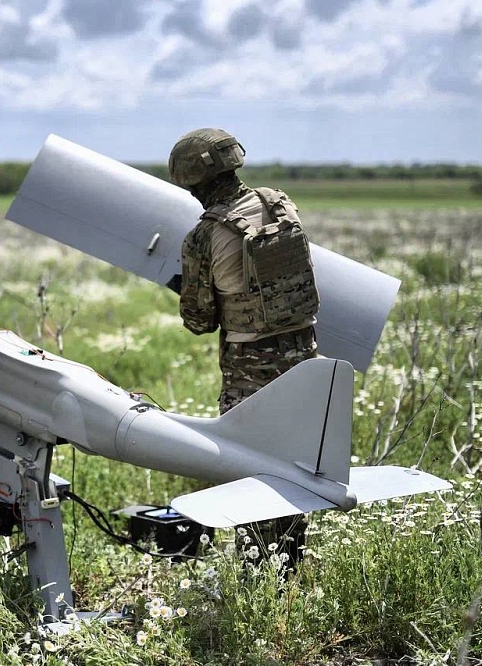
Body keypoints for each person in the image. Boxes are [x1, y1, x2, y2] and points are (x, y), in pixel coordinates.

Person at [168, 127, 319, 571]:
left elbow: (199, 321)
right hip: (304, 356)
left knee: (248, 469)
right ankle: (289, 568)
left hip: (249, 370)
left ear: (193, 180)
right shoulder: (279, 203)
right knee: (295, 466)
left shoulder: (203, 235)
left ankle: (259, 578)